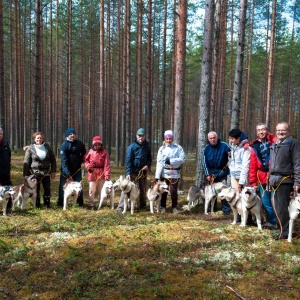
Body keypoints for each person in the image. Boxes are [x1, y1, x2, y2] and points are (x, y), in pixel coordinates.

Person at [269, 122, 300, 240]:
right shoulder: (274, 145)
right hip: (274, 180)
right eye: (278, 130)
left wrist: (297, 182)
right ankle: (281, 229)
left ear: (289, 131)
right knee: (276, 207)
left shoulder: (293, 143)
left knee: (281, 208)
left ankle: (285, 233)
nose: (280, 132)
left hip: (285, 180)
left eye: (283, 130)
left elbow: (298, 163)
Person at [117, 128, 152, 212]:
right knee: (126, 189)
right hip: (132, 172)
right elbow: (128, 161)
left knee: (142, 189)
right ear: (136, 136)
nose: (140, 137)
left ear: (145, 136)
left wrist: (147, 165)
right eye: (139, 136)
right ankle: (120, 207)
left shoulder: (147, 146)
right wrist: (128, 173)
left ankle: (142, 205)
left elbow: (149, 159)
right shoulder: (131, 147)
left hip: (143, 172)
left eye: (142, 136)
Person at [249, 123, 277, 228]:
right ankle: (272, 222)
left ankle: (280, 222)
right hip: (261, 178)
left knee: (276, 201)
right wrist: (253, 182)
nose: (261, 132)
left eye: (263, 129)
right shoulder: (255, 146)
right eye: (259, 130)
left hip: (275, 176)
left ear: (267, 131)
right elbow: (253, 166)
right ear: (257, 132)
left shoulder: (275, 142)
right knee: (265, 201)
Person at [155, 130, 186, 214]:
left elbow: (182, 159)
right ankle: (163, 207)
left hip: (174, 173)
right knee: (163, 191)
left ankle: (174, 207)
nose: (168, 140)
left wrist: (170, 161)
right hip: (164, 173)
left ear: (172, 138)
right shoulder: (161, 149)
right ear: (165, 139)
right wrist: (157, 176)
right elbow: (159, 163)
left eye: (170, 138)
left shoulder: (178, 148)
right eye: (167, 139)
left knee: (173, 191)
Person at [23, 132, 56, 208]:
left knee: (47, 188)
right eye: (37, 138)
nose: (39, 139)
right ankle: (37, 204)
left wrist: (53, 171)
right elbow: (26, 162)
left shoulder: (48, 147)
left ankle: (47, 204)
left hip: (46, 172)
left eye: (40, 138)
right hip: (34, 172)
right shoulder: (30, 148)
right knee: (35, 189)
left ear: (43, 139)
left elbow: (53, 160)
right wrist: (26, 174)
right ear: (34, 139)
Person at [202, 131, 231, 215]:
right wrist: (207, 174)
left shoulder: (224, 145)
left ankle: (226, 210)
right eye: (210, 138)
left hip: (222, 172)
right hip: (211, 173)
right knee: (211, 192)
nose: (212, 140)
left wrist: (230, 155)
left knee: (223, 190)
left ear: (217, 137)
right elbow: (204, 163)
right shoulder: (206, 148)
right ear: (208, 139)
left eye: (214, 138)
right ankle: (212, 209)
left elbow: (232, 153)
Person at [57, 128, 86, 207]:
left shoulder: (79, 144)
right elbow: (64, 161)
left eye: (73, 133)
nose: (72, 135)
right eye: (70, 134)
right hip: (65, 171)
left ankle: (80, 202)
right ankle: (60, 202)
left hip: (77, 170)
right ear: (67, 135)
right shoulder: (64, 146)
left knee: (79, 186)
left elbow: (84, 153)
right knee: (63, 187)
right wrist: (68, 174)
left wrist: (80, 160)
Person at [84, 136, 111, 209]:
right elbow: (86, 160)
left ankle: (100, 203)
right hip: (92, 172)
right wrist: (88, 166)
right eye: (95, 145)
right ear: (93, 145)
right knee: (92, 190)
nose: (97, 146)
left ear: (101, 145)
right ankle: (91, 204)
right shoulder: (90, 152)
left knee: (101, 190)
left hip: (101, 173)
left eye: (99, 144)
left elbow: (107, 164)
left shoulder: (105, 152)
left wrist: (107, 175)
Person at [228, 128, 251, 193]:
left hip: (243, 178)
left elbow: (245, 166)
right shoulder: (233, 147)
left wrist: (241, 183)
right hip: (234, 176)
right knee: (235, 198)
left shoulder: (246, 149)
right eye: (230, 138)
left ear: (238, 139)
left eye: (232, 139)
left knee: (244, 199)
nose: (230, 141)